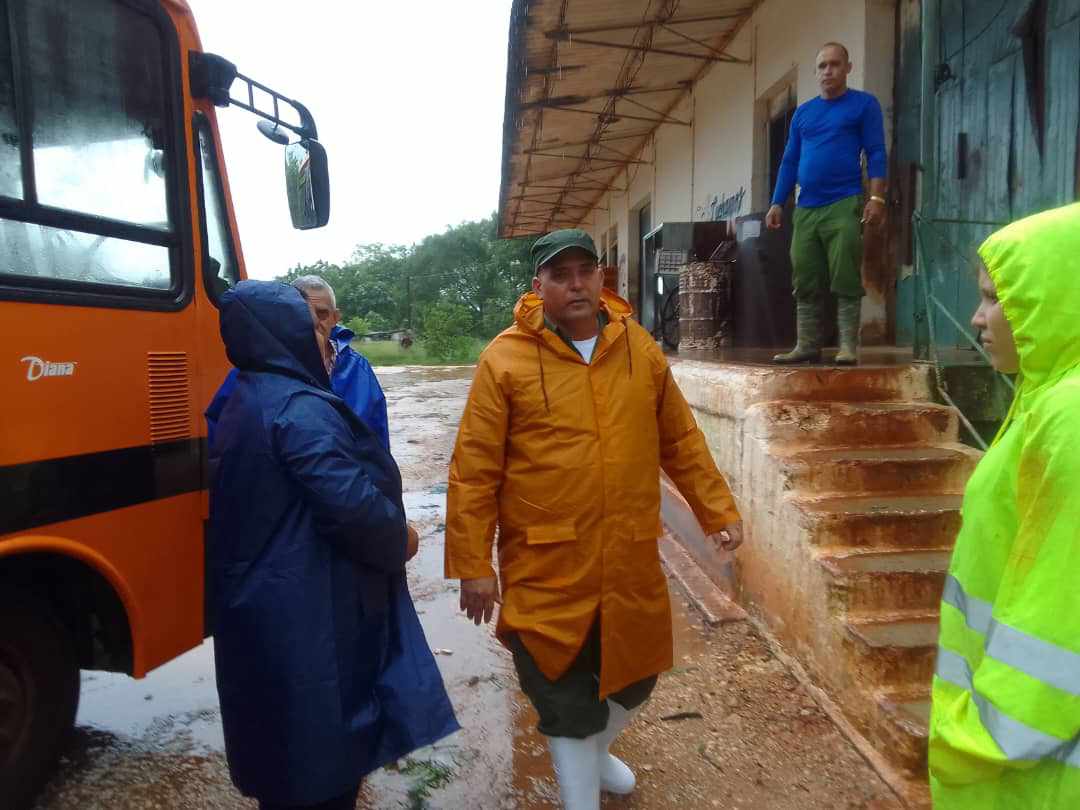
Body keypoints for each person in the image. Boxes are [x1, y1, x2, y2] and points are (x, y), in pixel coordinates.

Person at [444, 229, 743, 809]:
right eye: (561, 274)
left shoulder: (639, 348)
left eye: (586, 270)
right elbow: (473, 471)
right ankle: (580, 789)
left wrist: (715, 508)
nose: (576, 283)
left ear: (603, 277)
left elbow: (679, 439)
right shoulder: (504, 359)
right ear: (540, 287)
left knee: (636, 675)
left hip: (629, 556)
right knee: (562, 692)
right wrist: (472, 564)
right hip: (546, 562)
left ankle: (597, 753)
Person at [207, 281, 458, 810]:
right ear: (285, 337)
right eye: (312, 329)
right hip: (307, 611)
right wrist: (401, 537)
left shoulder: (244, 394)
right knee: (320, 756)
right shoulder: (299, 409)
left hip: (261, 605)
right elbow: (354, 508)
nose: (326, 339)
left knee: (280, 749)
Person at [928, 203, 1080, 807]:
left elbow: (1057, 621)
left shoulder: (1068, 419)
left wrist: (970, 743)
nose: (977, 317)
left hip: (1028, 770)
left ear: (1055, 299)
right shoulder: (1044, 397)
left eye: (996, 298)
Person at [766, 42, 887, 366]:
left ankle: (848, 345)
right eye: (821, 66)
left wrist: (876, 198)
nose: (827, 71)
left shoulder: (863, 105)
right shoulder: (803, 114)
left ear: (848, 67)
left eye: (834, 64)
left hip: (844, 202)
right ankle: (807, 344)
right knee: (804, 274)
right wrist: (777, 201)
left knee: (845, 272)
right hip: (806, 208)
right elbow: (789, 160)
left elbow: (876, 152)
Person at [206, 275, 389, 452]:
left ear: (335, 318)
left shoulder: (359, 369)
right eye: (305, 313)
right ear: (289, 314)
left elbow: (378, 437)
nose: (314, 322)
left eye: (323, 314)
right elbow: (221, 432)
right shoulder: (255, 366)